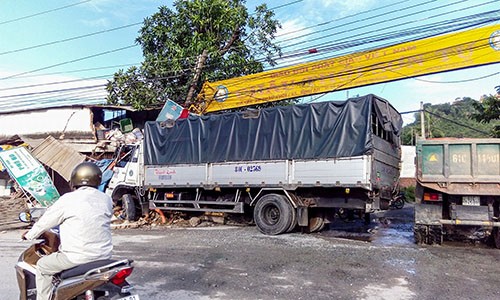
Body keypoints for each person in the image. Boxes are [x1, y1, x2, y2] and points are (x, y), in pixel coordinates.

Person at [22, 162, 114, 300]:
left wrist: (29, 235)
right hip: (103, 256)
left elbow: (46, 221)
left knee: (42, 266)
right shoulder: (106, 199)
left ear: (74, 180)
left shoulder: (68, 199)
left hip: (77, 257)